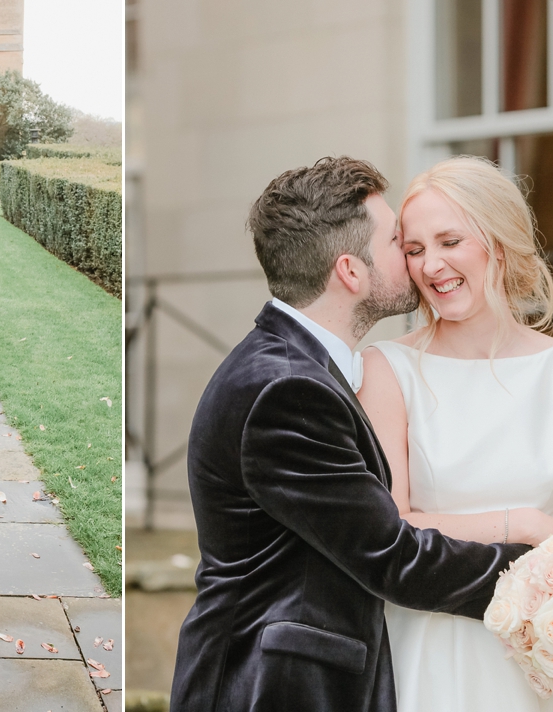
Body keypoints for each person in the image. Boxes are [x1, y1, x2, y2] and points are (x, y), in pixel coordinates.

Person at [169, 156, 531, 712]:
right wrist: (540, 572)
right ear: (351, 271)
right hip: (267, 686)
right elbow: (393, 556)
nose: (415, 258)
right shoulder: (286, 389)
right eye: (399, 243)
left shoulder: (295, 366)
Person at [359, 155, 553, 711]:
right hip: (431, 644)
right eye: (415, 249)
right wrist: (521, 523)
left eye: (450, 241)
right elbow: (390, 525)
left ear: (497, 242)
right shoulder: (385, 369)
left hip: (549, 653)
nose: (431, 266)